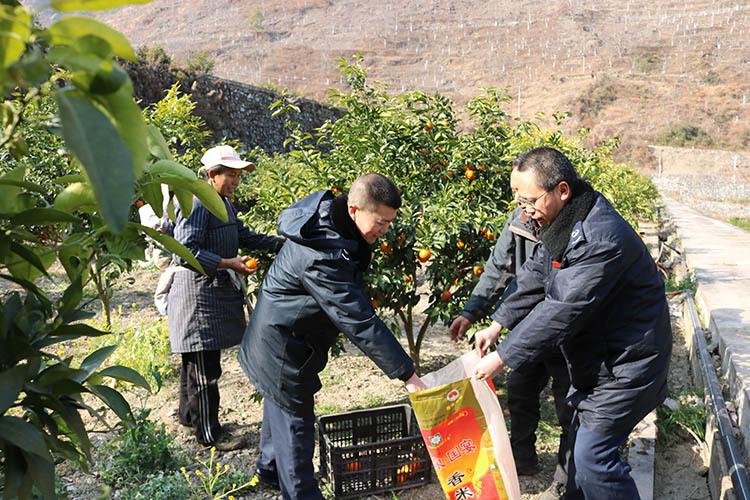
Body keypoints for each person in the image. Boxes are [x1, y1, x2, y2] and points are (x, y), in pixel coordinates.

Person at [472, 147, 671, 500]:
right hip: (601, 361)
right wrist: (498, 323)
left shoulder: (598, 238)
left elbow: (561, 309)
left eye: (530, 200)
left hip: (629, 364)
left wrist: (502, 356)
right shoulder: (563, 223)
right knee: (581, 456)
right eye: (518, 200)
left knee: (593, 458)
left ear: (561, 190)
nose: (524, 209)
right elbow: (535, 274)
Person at [238, 173, 426, 498]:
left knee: (278, 403)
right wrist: (407, 374)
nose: (385, 230)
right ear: (354, 209)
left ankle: (268, 470)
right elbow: (359, 321)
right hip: (281, 347)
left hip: (277, 335)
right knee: (296, 424)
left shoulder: (330, 229)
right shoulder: (321, 255)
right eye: (380, 222)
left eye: (389, 223)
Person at [448, 205, 573, 497]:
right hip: (527, 326)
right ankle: (523, 460)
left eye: (527, 194)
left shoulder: (572, 226)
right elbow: (499, 270)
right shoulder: (520, 221)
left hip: (564, 325)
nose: (523, 202)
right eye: (518, 194)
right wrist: (471, 313)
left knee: (568, 404)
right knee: (520, 388)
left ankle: (566, 479)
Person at [167, 145, 284, 450]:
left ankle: (190, 417)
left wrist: (282, 244)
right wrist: (227, 262)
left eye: (237, 176)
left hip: (209, 292)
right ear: (211, 175)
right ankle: (209, 433)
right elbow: (185, 251)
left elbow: (243, 235)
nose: (235, 181)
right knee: (204, 366)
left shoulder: (223, 203)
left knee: (196, 362)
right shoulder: (198, 202)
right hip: (197, 295)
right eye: (230, 175)